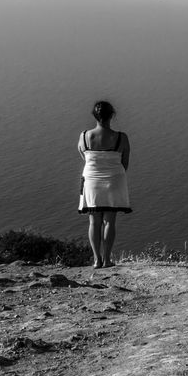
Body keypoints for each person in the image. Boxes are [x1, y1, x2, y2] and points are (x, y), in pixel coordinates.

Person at [78, 100, 131, 269]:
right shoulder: (121, 137)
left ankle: (96, 260)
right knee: (110, 221)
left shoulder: (85, 136)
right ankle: (107, 259)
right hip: (114, 179)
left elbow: (84, 156)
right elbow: (125, 163)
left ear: (94, 115)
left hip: (91, 180)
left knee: (94, 222)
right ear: (112, 115)